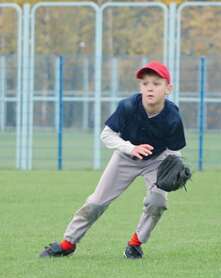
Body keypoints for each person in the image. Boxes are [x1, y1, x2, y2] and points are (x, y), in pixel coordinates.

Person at [39, 61, 186, 259]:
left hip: (157, 160)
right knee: (96, 202)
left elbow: (175, 149)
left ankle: (135, 244)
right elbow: (107, 135)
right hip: (126, 157)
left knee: (157, 202)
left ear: (168, 89)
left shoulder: (172, 116)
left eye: (156, 83)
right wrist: (131, 148)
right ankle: (67, 243)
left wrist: (176, 167)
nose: (150, 87)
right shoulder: (128, 106)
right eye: (145, 83)